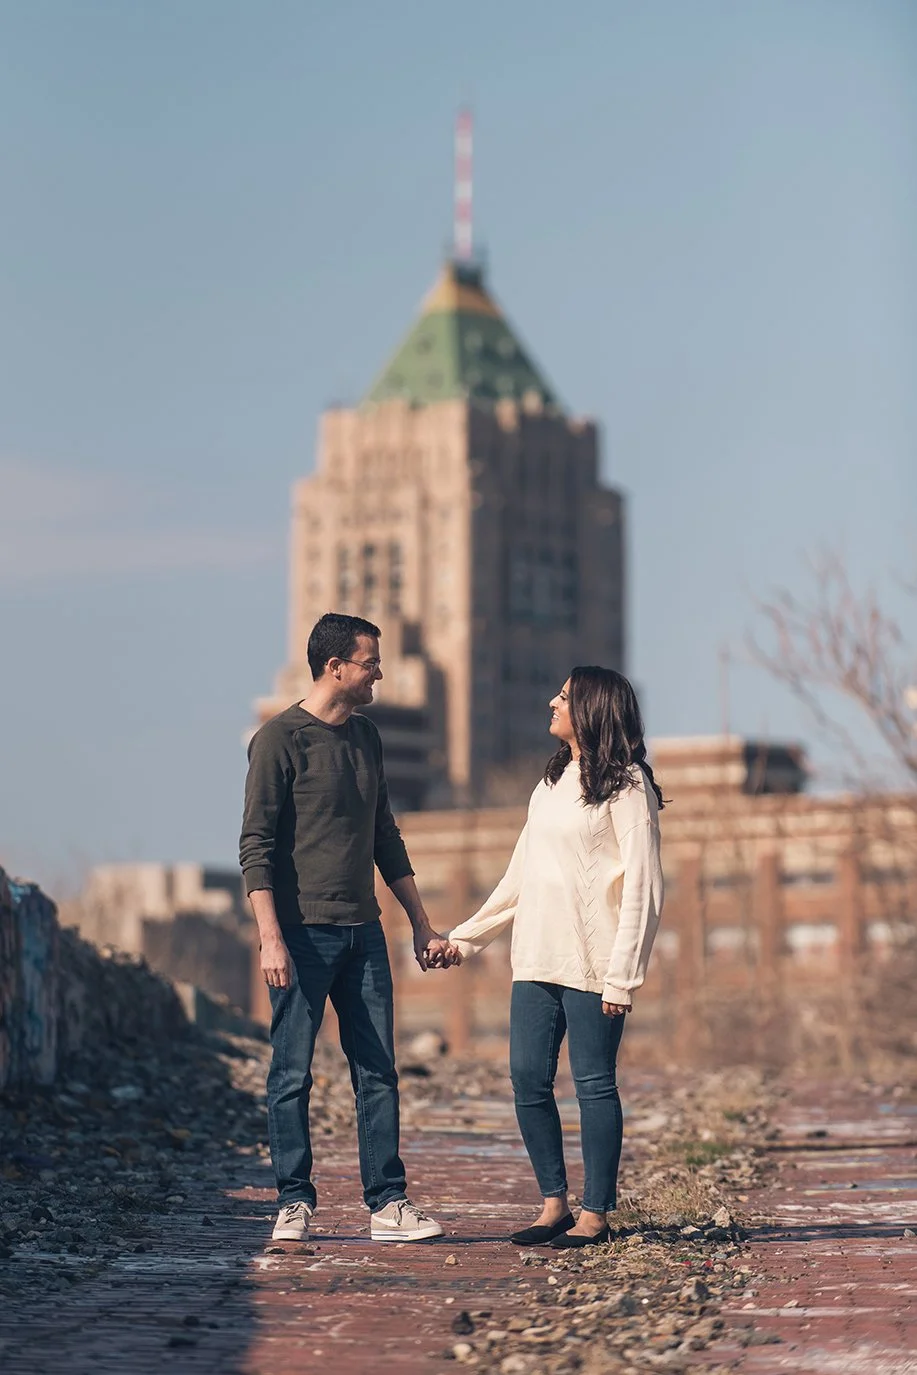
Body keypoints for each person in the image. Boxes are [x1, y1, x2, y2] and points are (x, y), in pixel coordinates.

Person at [240, 612, 458, 1245]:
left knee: (378, 1070)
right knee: (291, 1073)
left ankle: (388, 1204)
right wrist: (270, 936)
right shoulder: (278, 740)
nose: (379, 673)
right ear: (335, 667)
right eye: (370, 663)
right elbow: (255, 844)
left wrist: (420, 923)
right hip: (301, 936)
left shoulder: (367, 738)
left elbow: (384, 835)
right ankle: (293, 1201)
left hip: (364, 932)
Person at [447, 666, 664, 1248]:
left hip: (596, 966)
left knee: (594, 1083)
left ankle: (595, 1214)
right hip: (536, 959)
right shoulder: (549, 785)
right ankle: (554, 1205)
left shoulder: (627, 785)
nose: (552, 702)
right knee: (527, 1079)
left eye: (564, 697)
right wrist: (466, 939)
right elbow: (519, 877)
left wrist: (624, 976)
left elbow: (644, 884)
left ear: (591, 708)